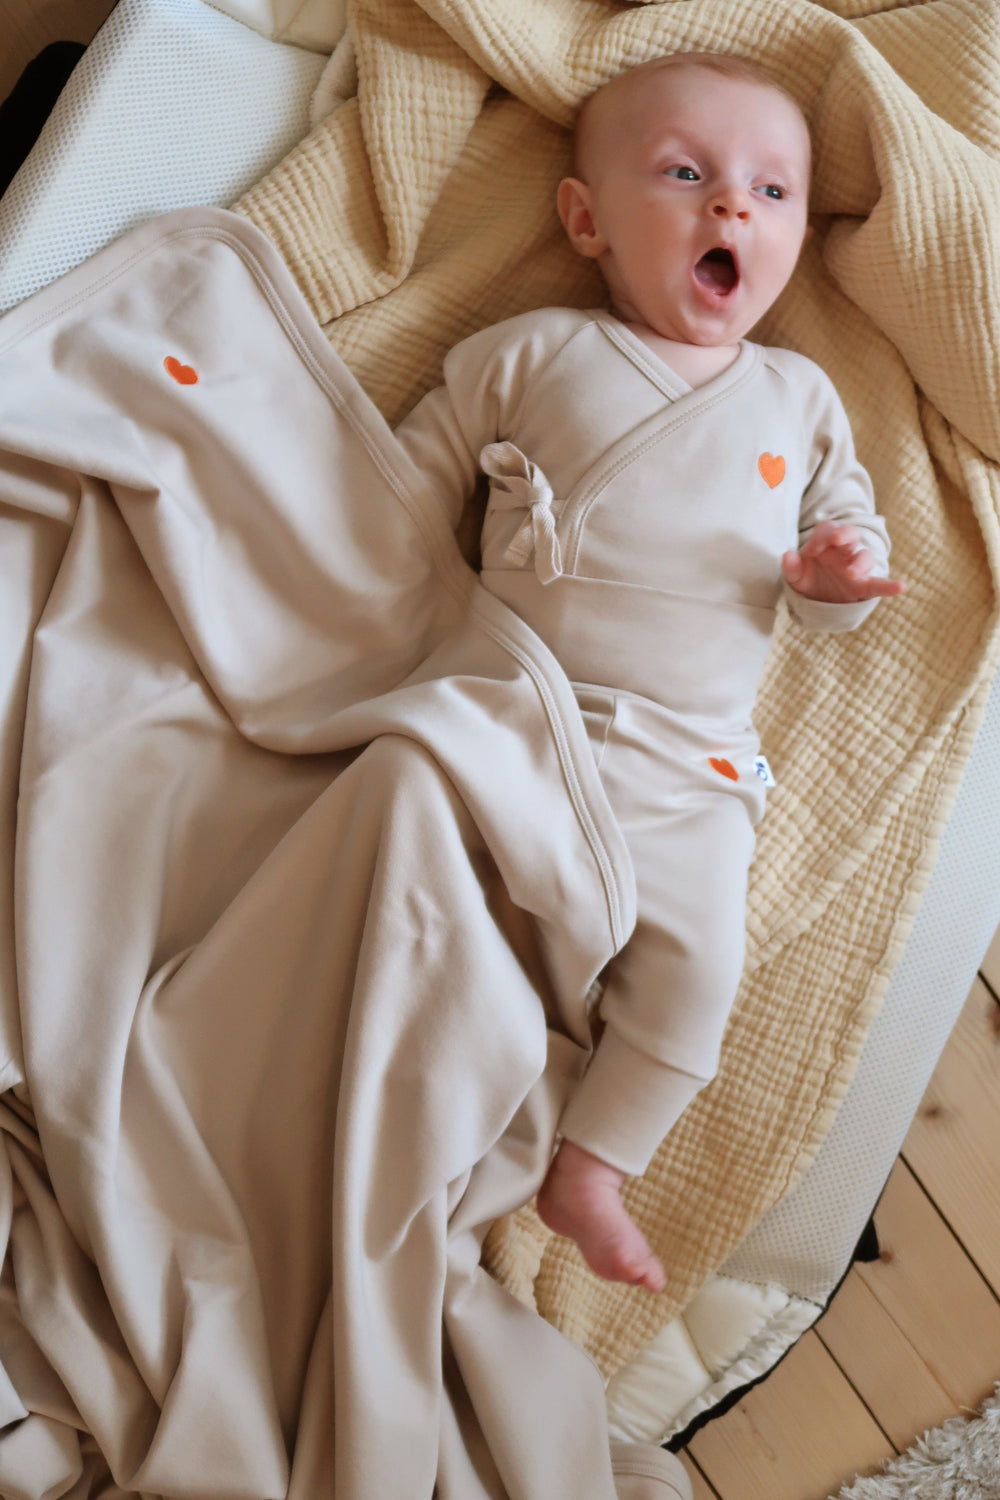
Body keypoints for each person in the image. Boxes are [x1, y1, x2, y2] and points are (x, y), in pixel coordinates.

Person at [395, 51, 905, 1295]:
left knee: (699, 974)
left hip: (691, 760)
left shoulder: (799, 396)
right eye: (687, 175)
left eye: (772, 192)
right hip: (512, 708)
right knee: (413, 873)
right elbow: (407, 477)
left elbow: (848, 549)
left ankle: (592, 1165)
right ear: (585, 220)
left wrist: (836, 577)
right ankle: (405, 1085)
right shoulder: (532, 352)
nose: (734, 208)